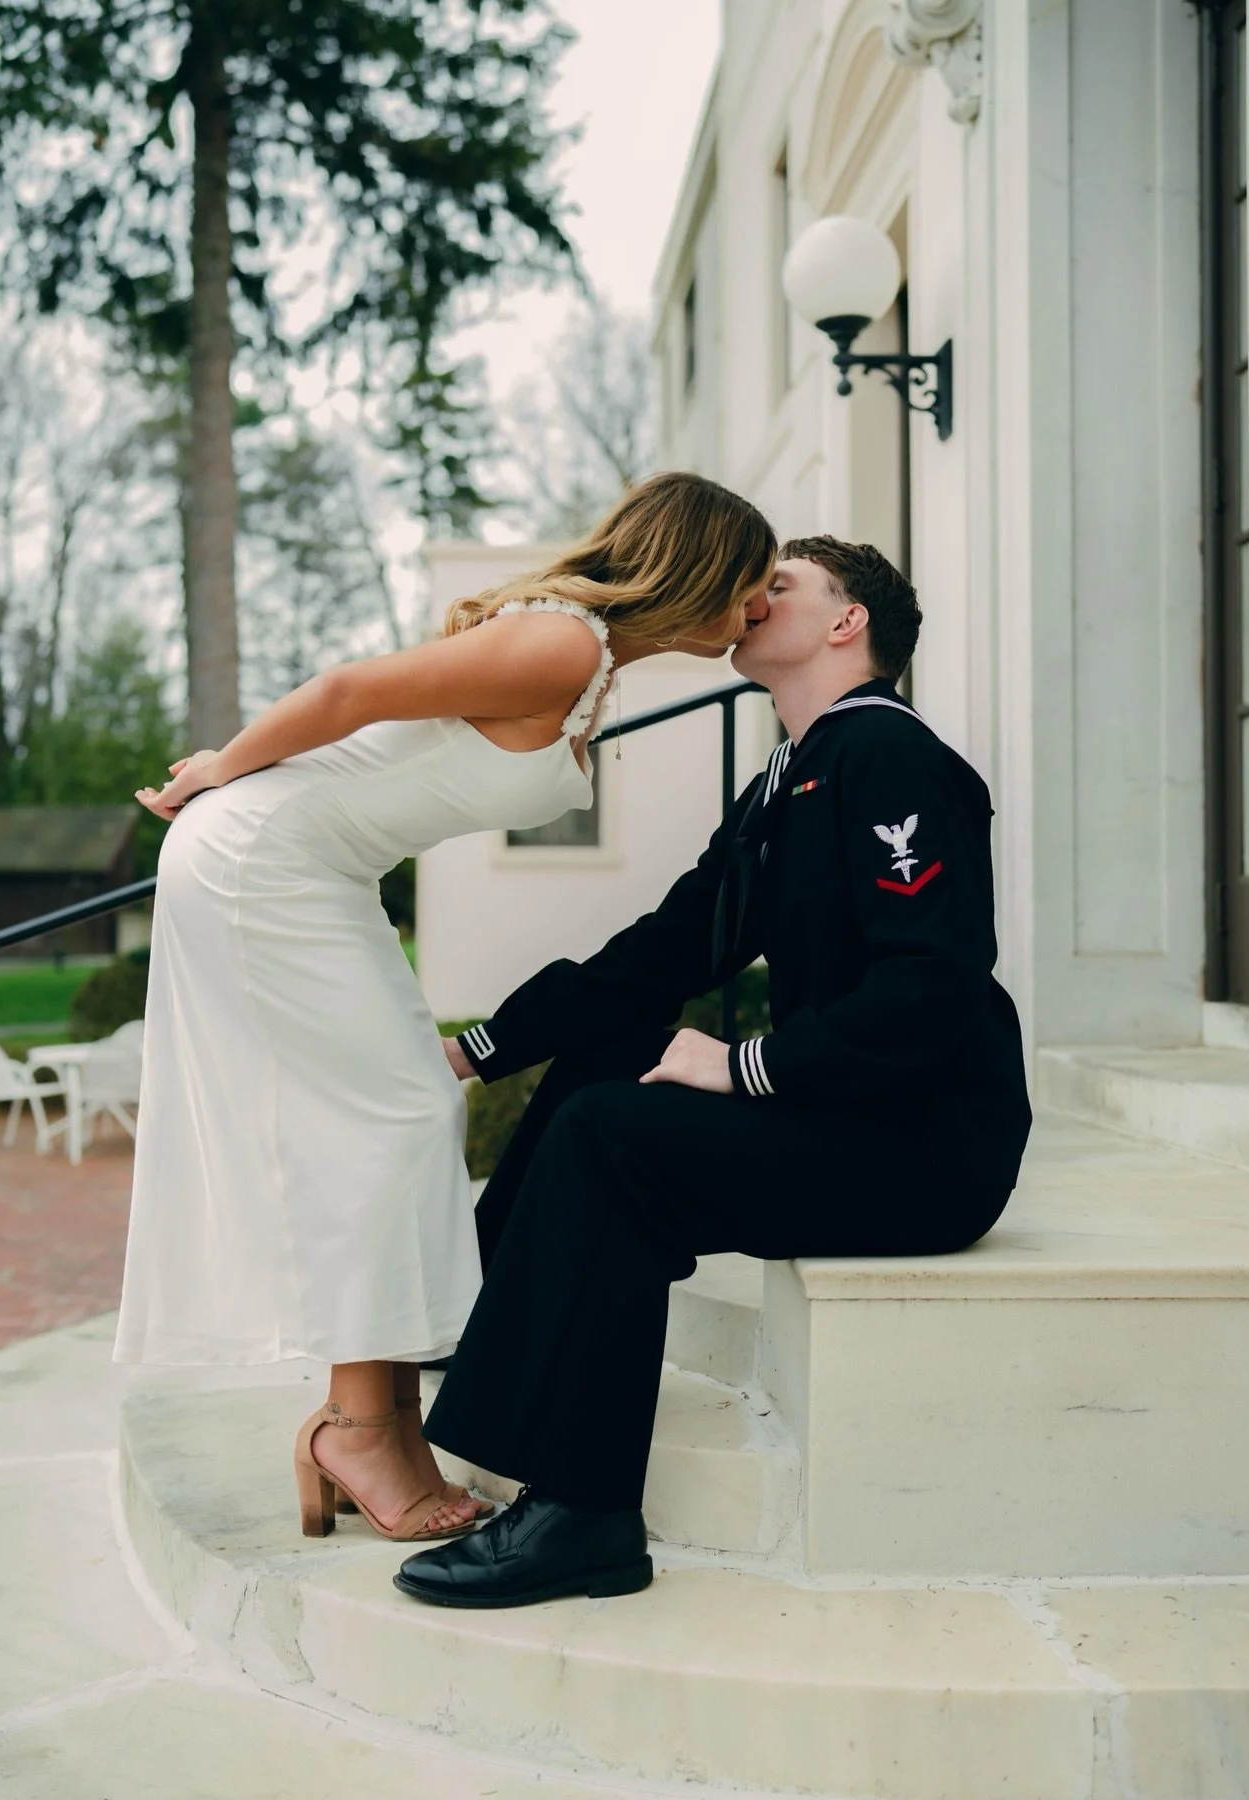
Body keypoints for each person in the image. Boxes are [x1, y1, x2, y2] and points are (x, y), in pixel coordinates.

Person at [112, 471, 777, 1547]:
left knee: (408, 1108)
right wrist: (215, 773)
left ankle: (371, 1422)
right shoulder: (563, 645)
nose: (758, 611)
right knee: (401, 1118)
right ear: (696, 569)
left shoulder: (593, 666)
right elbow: (346, 691)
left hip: (325, 871)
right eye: (752, 585)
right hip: (266, 861)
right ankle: (362, 1430)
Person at [396, 536, 1032, 1605]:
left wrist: (746, 1067)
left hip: (924, 1144)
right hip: (843, 1111)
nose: (749, 596)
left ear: (847, 624)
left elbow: (933, 985)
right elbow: (663, 951)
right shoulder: (784, 780)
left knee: (611, 1142)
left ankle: (582, 1516)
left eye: (778, 584)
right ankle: (480, 1315)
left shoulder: (893, 758)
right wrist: (481, 1049)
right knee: (612, 1049)